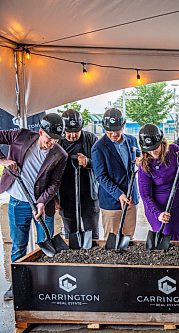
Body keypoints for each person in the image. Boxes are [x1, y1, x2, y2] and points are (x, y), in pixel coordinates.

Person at [0, 113, 67, 301]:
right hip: (18, 201)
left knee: (45, 244)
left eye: (56, 139)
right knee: (18, 246)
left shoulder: (60, 155)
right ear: (40, 132)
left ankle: (46, 285)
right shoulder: (21, 136)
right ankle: (17, 285)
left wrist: (41, 202)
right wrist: (3, 160)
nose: (52, 143)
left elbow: (55, 183)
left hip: (42, 205)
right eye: (49, 138)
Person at [91, 108, 139, 240]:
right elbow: (101, 177)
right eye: (109, 131)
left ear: (123, 126)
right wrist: (119, 195)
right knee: (112, 240)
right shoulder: (98, 147)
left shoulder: (132, 140)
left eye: (116, 131)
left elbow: (138, 155)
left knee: (129, 239)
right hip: (112, 203)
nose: (113, 134)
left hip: (131, 199)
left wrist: (141, 160)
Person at [137, 124, 179, 240]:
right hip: (159, 209)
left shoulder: (174, 150)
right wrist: (158, 214)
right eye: (149, 149)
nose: (152, 152)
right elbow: (145, 195)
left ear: (162, 142)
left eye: (155, 148)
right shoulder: (144, 165)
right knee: (164, 237)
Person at [58, 109, 100, 240]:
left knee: (92, 235)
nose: (72, 136)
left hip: (89, 195)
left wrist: (88, 162)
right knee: (71, 235)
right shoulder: (57, 142)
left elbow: (101, 164)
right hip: (66, 196)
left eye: (75, 132)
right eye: (68, 132)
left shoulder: (91, 139)